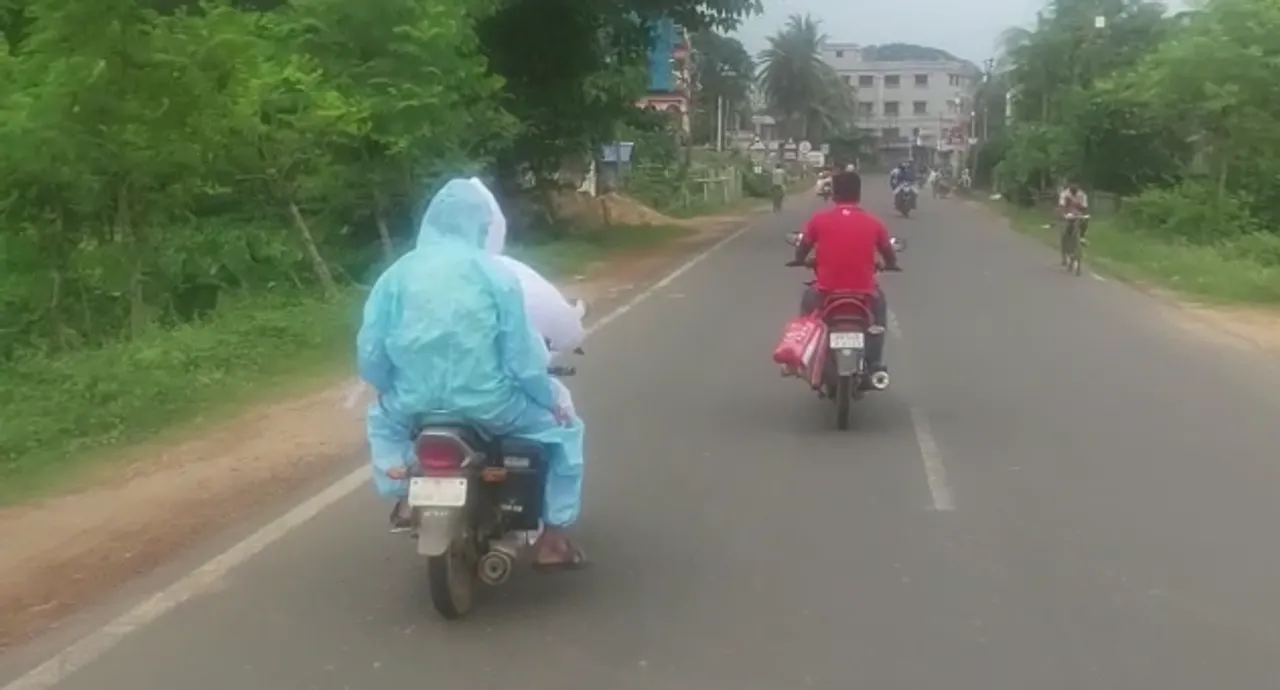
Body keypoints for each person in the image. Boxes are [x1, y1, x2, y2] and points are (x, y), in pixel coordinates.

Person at [358, 178, 588, 571]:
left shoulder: (395, 275)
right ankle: (553, 539)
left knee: (382, 421)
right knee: (564, 432)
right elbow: (522, 356)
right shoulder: (495, 274)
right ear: (481, 226)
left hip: (414, 402)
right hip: (491, 404)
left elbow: (371, 350)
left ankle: (403, 492)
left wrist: (388, 389)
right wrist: (550, 402)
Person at [788, 171, 900, 376]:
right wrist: (891, 264)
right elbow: (888, 252)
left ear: (833, 194)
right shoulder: (874, 223)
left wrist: (799, 260)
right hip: (864, 294)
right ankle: (874, 364)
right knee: (878, 317)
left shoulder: (819, 220)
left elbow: (803, 247)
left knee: (807, 306)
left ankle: (801, 352)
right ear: (858, 194)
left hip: (826, 292)